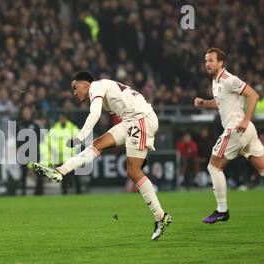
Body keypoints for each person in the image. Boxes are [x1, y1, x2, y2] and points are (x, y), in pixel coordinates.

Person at [34, 71, 172, 240]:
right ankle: (61, 170)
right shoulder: (104, 88)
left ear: (86, 84)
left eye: (75, 87)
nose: (74, 93)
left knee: (133, 171)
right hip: (130, 120)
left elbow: (95, 114)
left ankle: (161, 217)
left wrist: (80, 138)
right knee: (98, 144)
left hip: (140, 119)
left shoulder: (96, 87)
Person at [194, 48, 264, 224]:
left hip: (237, 130)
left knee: (213, 167)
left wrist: (246, 120)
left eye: (211, 60)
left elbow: (254, 95)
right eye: (205, 61)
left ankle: (222, 210)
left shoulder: (228, 79)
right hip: (246, 132)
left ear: (220, 63)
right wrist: (204, 103)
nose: (207, 64)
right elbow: (219, 103)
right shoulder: (216, 82)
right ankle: (221, 210)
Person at [17, 106, 43, 195]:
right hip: (23, 153)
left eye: (28, 112)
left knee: (38, 173)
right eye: (25, 112)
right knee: (23, 173)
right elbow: (18, 141)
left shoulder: (35, 126)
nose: (26, 114)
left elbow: (39, 139)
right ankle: (23, 192)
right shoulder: (20, 126)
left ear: (31, 114)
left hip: (34, 152)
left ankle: (39, 192)